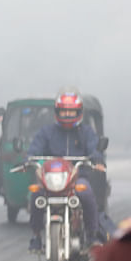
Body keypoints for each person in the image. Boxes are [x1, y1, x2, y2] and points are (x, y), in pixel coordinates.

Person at [27, 87, 106, 252]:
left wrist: (96, 159)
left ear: (79, 112)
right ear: (57, 112)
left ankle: (92, 234)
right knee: (35, 195)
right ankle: (36, 236)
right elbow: (34, 149)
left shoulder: (86, 132)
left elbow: (94, 148)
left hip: (77, 177)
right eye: (64, 112)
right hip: (51, 180)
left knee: (86, 193)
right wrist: (28, 160)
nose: (68, 116)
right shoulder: (47, 132)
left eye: (71, 112)